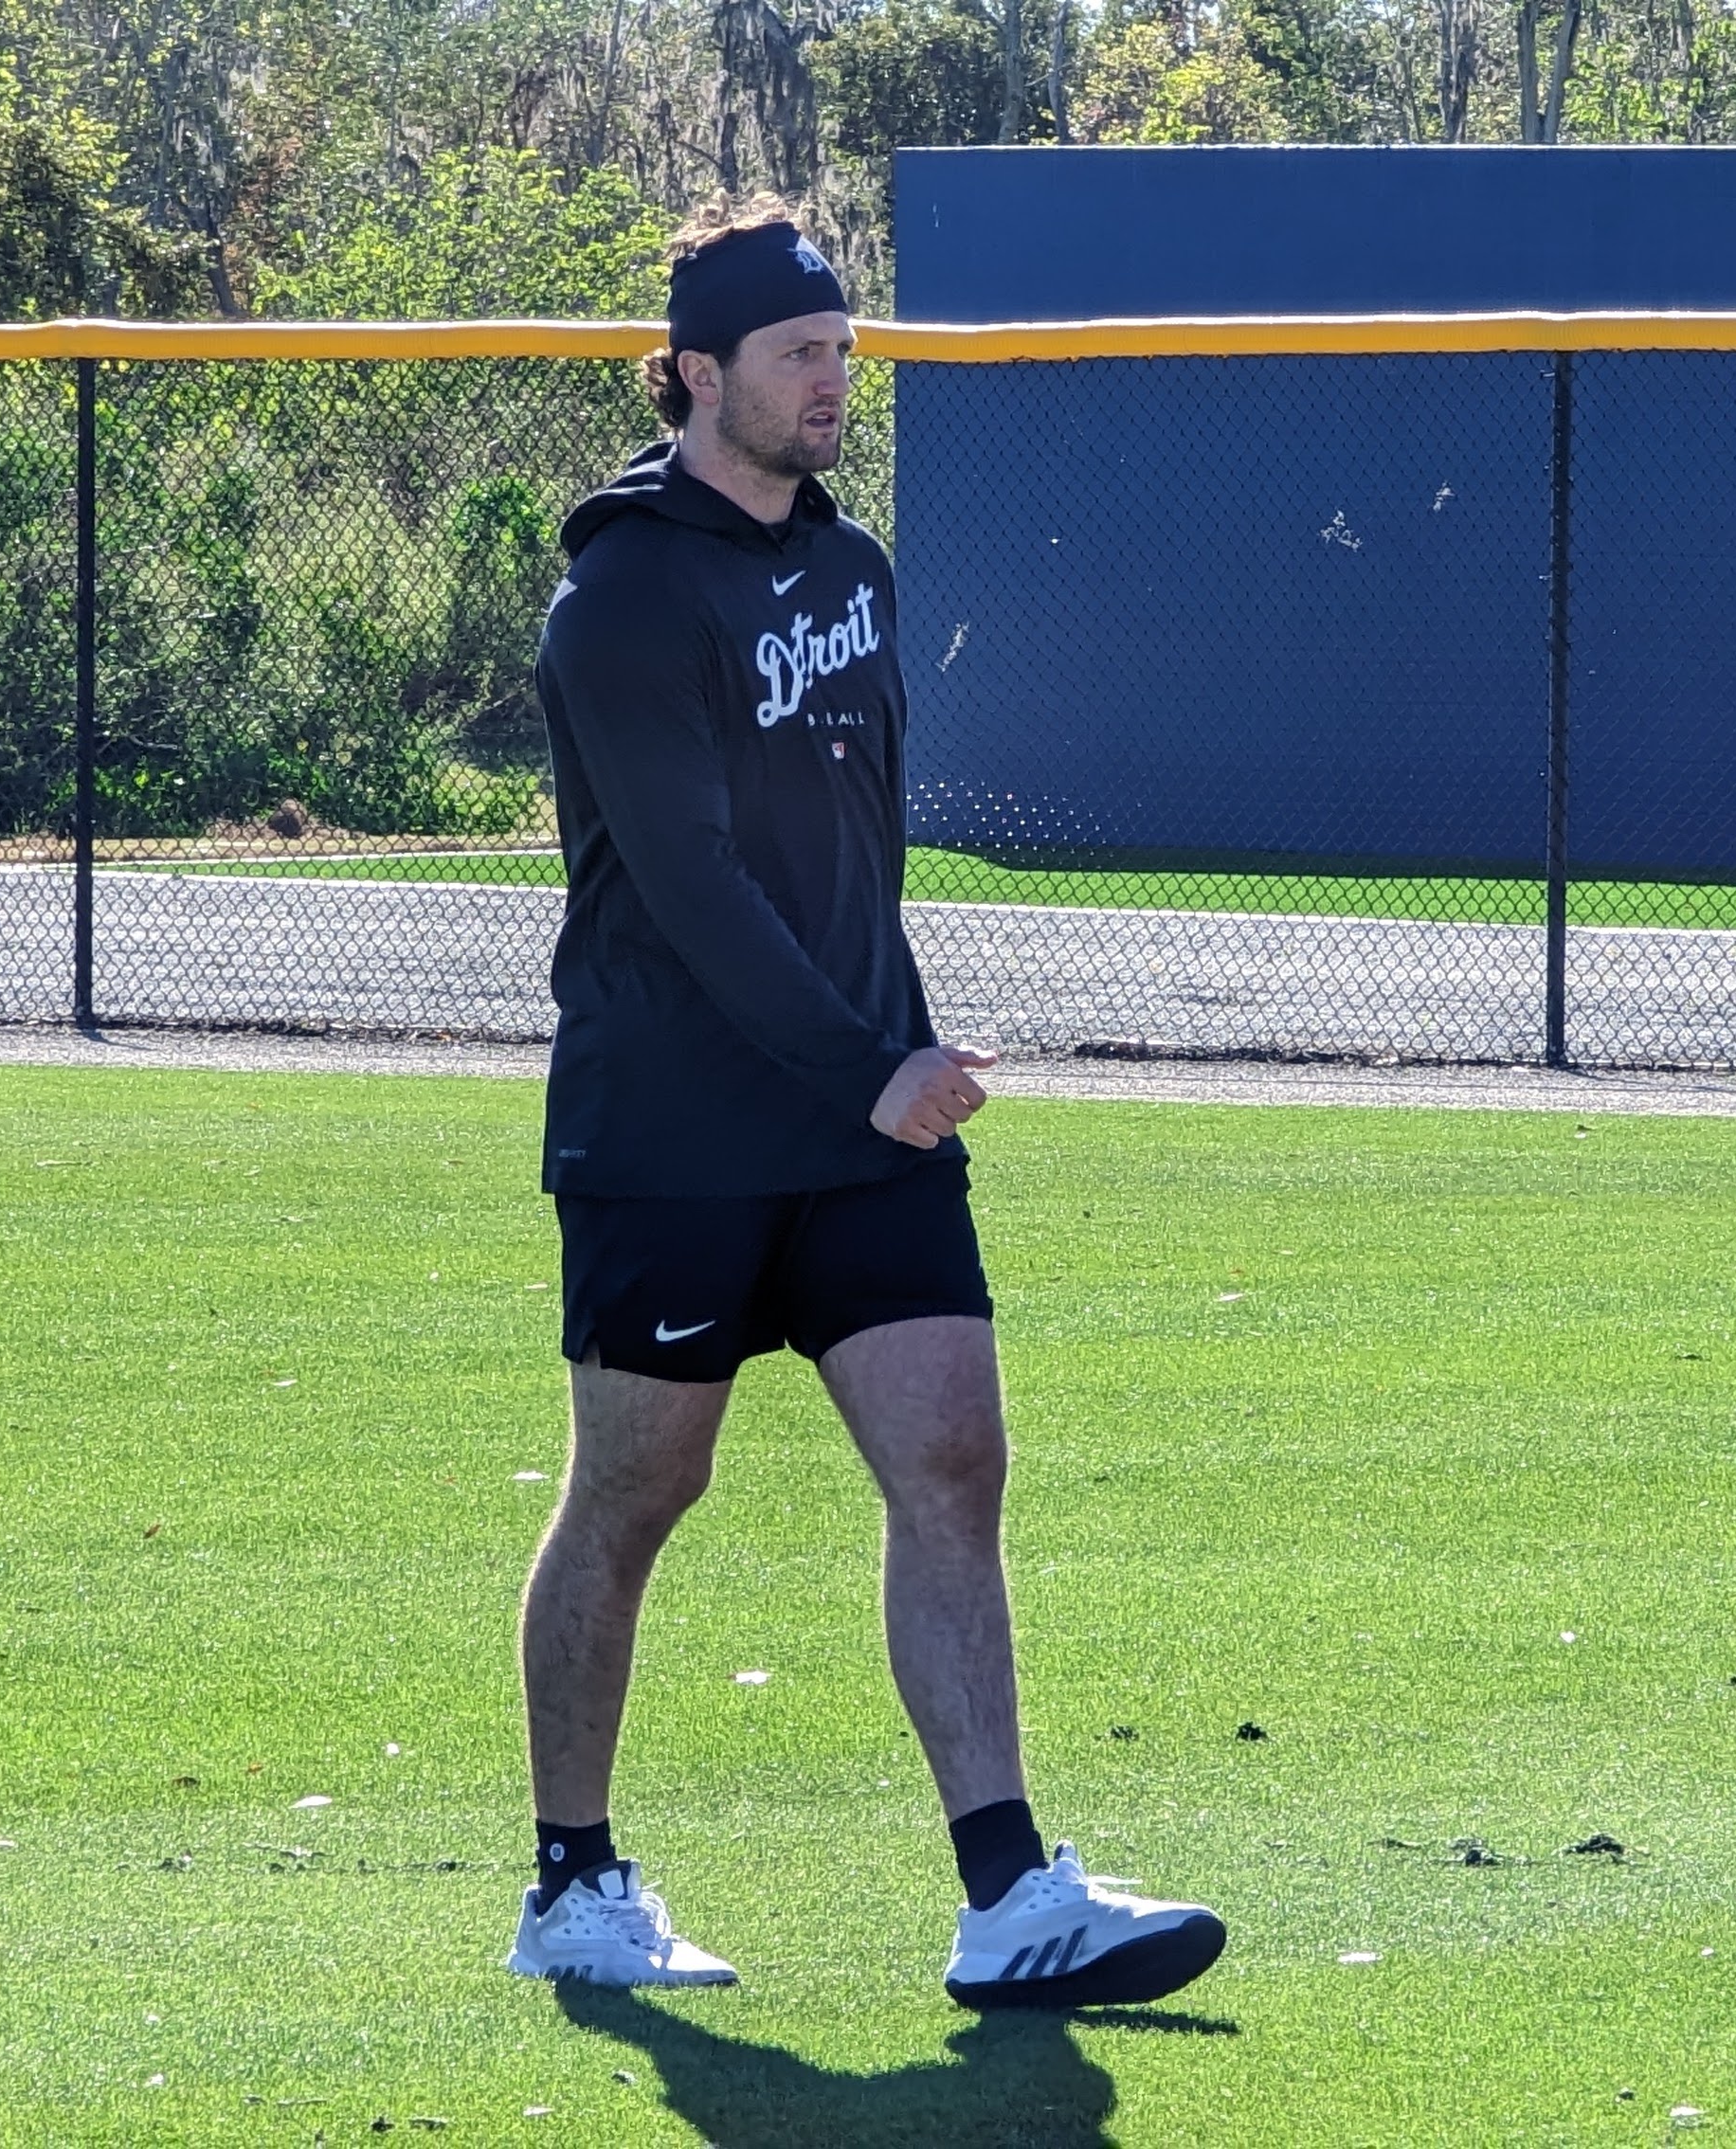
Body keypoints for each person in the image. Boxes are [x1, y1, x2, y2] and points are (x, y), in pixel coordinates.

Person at [506, 197, 1226, 2012]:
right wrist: (873, 1063)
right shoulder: (619, 597)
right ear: (694, 376)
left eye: (845, 351)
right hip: (675, 1124)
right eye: (799, 357)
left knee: (955, 1461)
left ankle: (1009, 1894)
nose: (836, 384)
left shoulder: (854, 569)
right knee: (636, 1492)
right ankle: (573, 1884)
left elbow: (853, 859)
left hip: (861, 1122)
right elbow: (686, 884)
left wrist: (883, 1061)